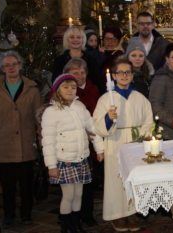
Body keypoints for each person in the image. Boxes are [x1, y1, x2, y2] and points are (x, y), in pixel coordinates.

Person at [0, 51, 42, 229]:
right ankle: (9, 215)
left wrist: (42, 141)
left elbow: (39, 118)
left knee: (27, 185)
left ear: (20, 65)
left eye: (14, 64)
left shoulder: (32, 88)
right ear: (2, 68)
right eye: (7, 65)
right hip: (2, 145)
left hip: (26, 145)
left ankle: (26, 214)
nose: (11, 68)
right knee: (7, 186)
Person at [93, 59, 153, 232]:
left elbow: (148, 121)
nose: (124, 75)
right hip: (115, 141)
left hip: (135, 142)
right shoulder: (106, 99)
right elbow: (96, 125)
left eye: (128, 72)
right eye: (120, 72)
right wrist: (108, 118)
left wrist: (142, 136)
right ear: (113, 76)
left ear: (132, 76)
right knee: (116, 179)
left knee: (133, 178)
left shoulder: (140, 98)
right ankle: (118, 214)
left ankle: (132, 212)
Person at [41, 74, 104, 233]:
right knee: (68, 196)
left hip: (81, 158)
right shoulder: (51, 112)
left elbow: (92, 129)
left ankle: (76, 224)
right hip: (64, 160)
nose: (70, 90)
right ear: (57, 90)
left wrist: (99, 149)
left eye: (73, 87)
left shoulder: (80, 107)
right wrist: (51, 165)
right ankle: (65, 225)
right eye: (66, 87)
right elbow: (48, 141)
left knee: (79, 195)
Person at [62, 58, 102, 226]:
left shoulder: (93, 89)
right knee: (71, 189)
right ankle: (69, 220)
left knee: (88, 184)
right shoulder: (62, 92)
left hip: (90, 143)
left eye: (82, 72)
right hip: (70, 147)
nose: (79, 76)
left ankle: (87, 214)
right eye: (75, 73)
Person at [52, 27, 102, 93]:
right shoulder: (60, 60)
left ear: (83, 40)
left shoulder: (91, 60)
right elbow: (56, 81)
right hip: (66, 95)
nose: (75, 40)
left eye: (78, 37)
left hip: (87, 95)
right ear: (67, 40)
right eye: (72, 37)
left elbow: (97, 81)